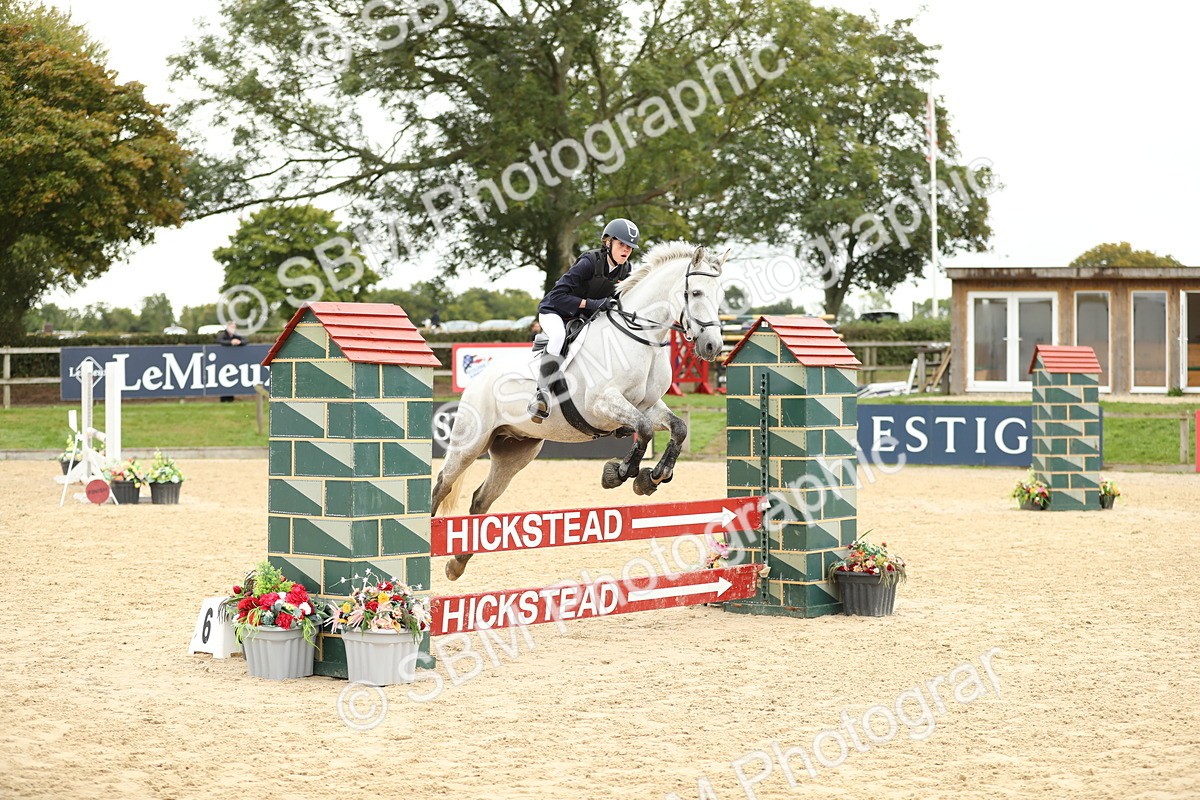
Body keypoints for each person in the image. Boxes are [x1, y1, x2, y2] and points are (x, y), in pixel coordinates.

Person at [528, 218, 639, 422]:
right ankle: (541, 394)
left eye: (630, 247)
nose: (626, 250)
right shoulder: (589, 262)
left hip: (583, 319)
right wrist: (592, 304)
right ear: (608, 242)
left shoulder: (625, 270)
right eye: (621, 244)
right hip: (555, 312)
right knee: (558, 337)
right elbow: (557, 296)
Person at [216, 322, 243, 402]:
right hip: (222, 360)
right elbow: (220, 341)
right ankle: (223, 399)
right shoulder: (223, 334)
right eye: (231, 327)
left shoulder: (236, 335)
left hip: (233, 360)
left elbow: (246, 340)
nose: (233, 329)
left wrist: (239, 342)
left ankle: (231, 398)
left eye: (234, 327)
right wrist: (231, 342)